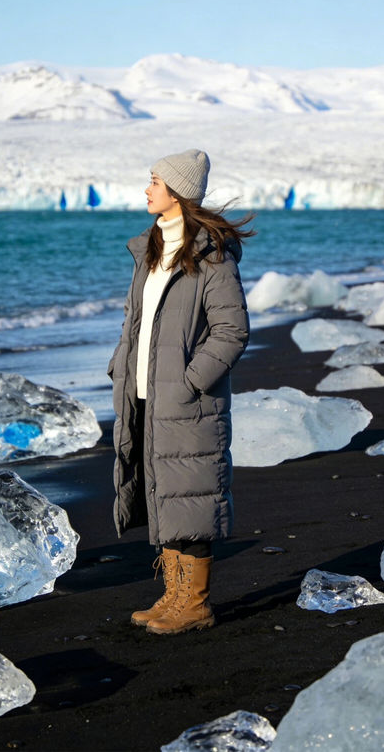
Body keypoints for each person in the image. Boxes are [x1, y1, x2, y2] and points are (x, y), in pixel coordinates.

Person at [107, 148, 252, 635]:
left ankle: (195, 604)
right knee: (165, 495)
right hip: (144, 395)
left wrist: (190, 382)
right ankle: (173, 596)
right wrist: (120, 365)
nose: (147, 189)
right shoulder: (150, 248)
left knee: (192, 496)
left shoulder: (211, 255)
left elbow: (232, 331)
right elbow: (136, 321)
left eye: (154, 181)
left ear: (178, 192)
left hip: (188, 401)